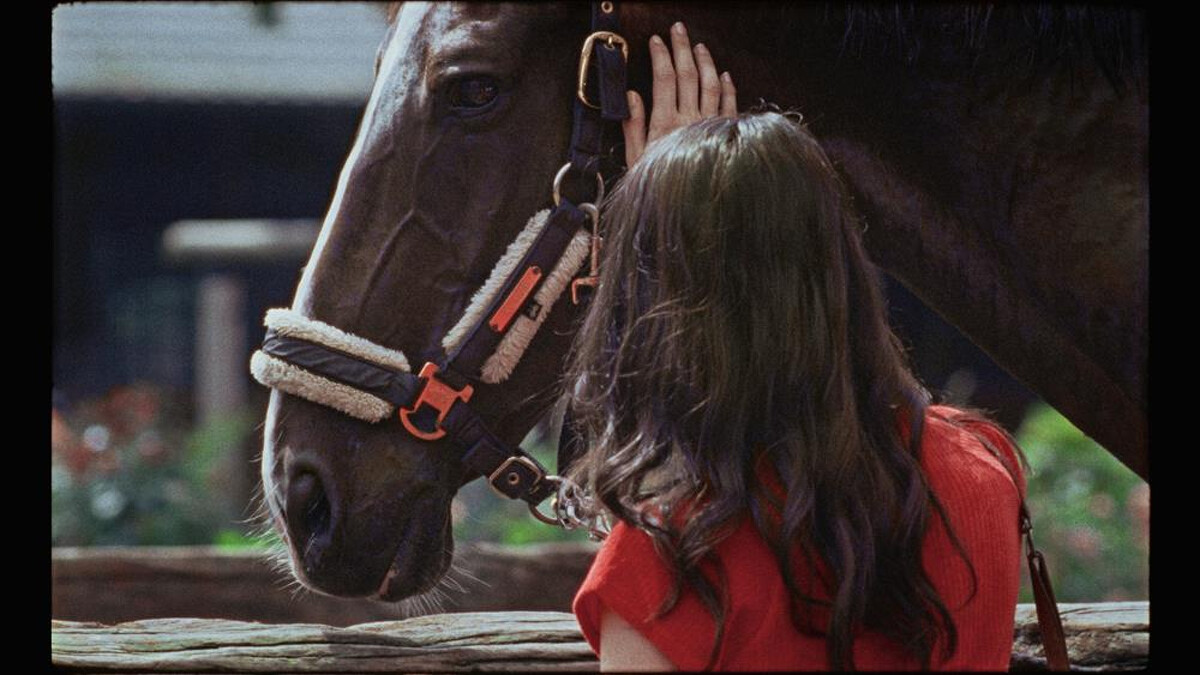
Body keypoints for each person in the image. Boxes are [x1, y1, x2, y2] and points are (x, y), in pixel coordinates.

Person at [566, 22, 1027, 671]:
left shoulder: (665, 559)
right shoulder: (980, 470)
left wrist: (660, 222)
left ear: (656, 303)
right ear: (839, 261)